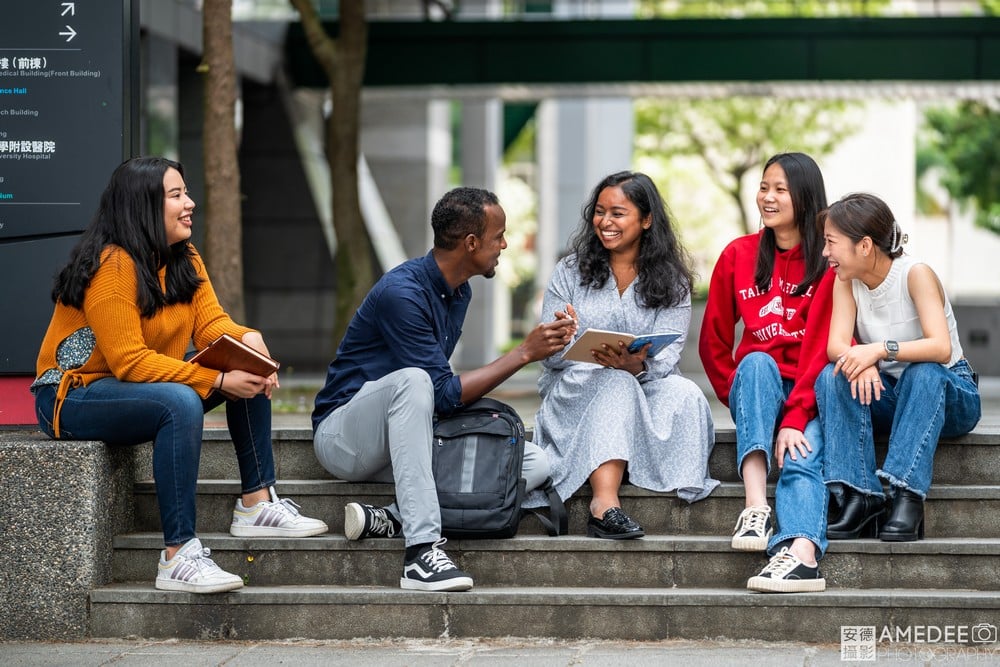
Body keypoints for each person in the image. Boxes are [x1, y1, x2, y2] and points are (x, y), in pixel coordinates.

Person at [31, 156, 328, 595]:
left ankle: (257, 503)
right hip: (74, 396)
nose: (190, 203)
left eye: (186, 193)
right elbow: (129, 362)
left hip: (132, 388)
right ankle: (178, 554)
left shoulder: (183, 256)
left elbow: (213, 327)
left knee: (239, 359)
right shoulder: (113, 266)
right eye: (177, 196)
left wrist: (249, 339)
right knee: (183, 400)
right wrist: (217, 383)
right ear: (144, 206)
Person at [312, 186, 577, 593]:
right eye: (498, 236)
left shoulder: (459, 291)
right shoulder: (402, 293)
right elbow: (441, 391)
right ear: (471, 243)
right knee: (414, 381)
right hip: (345, 438)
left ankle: (392, 517)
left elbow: (442, 399)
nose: (504, 244)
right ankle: (420, 553)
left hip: (407, 438)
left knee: (532, 462)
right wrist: (524, 352)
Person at [527, 171, 717, 541]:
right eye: (599, 212)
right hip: (578, 385)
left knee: (686, 395)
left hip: (644, 383)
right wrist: (565, 340)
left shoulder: (673, 280)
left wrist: (639, 365)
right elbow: (548, 354)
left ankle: (625, 452)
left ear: (646, 220)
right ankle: (604, 505)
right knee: (614, 381)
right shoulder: (569, 271)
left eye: (618, 213)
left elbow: (670, 352)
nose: (605, 222)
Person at [699, 152, 834, 593]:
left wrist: (796, 415)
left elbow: (819, 351)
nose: (767, 198)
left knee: (801, 458)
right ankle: (755, 507)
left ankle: (802, 554)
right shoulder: (737, 254)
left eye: (780, 189)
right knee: (755, 362)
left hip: (809, 392)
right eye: (763, 187)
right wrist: (738, 397)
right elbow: (713, 341)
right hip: (759, 387)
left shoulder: (827, 264)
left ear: (806, 197)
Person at [815, 192, 981, 542]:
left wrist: (877, 351)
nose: (825, 253)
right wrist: (861, 365)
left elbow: (940, 346)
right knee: (831, 379)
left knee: (923, 371)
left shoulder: (915, 274)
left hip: (950, 392)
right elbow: (836, 346)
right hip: (893, 396)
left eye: (831, 243)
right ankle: (860, 497)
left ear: (863, 246)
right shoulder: (846, 281)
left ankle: (906, 496)